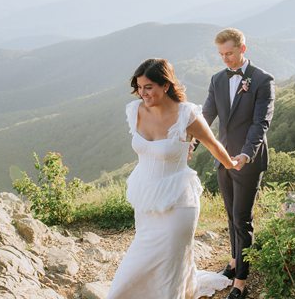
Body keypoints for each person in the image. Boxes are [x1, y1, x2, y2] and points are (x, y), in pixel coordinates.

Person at [107, 58, 236, 299]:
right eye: (139, 87)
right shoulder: (134, 111)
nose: (143, 93)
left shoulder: (186, 115)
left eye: (149, 87)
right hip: (146, 198)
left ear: (165, 85)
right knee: (138, 261)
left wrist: (231, 164)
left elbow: (213, 144)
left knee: (170, 262)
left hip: (179, 200)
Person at [199, 28, 275, 299]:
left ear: (243, 49)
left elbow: (260, 123)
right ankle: (234, 262)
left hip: (247, 161)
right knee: (230, 215)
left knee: (242, 219)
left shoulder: (263, 80)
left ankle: (241, 281)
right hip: (223, 158)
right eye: (221, 54)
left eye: (229, 53)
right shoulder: (217, 79)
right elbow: (206, 116)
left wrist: (246, 154)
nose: (225, 59)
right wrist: (192, 143)